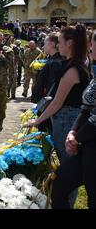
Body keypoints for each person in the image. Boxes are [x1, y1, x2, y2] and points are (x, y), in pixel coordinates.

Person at [27, 25, 90, 208]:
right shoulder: (76, 64)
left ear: (69, 43)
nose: (58, 45)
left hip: (66, 121)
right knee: (67, 169)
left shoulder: (72, 70)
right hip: (66, 120)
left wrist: (37, 120)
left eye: (61, 42)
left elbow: (57, 102)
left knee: (66, 173)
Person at [51, 30, 96, 209]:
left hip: (91, 143)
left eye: (92, 43)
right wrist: (72, 131)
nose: (90, 48)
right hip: (87, 143)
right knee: (59, 185)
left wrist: (76, 137)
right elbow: (86, 108)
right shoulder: (94, 71)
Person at [31, 33, 63, 133]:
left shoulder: (55, 62)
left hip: (47, 104)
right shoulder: (53, 60)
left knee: (45, 131)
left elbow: (51, 87)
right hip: (46, 103)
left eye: (45, 43)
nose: (43, 46)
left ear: (52, 44)